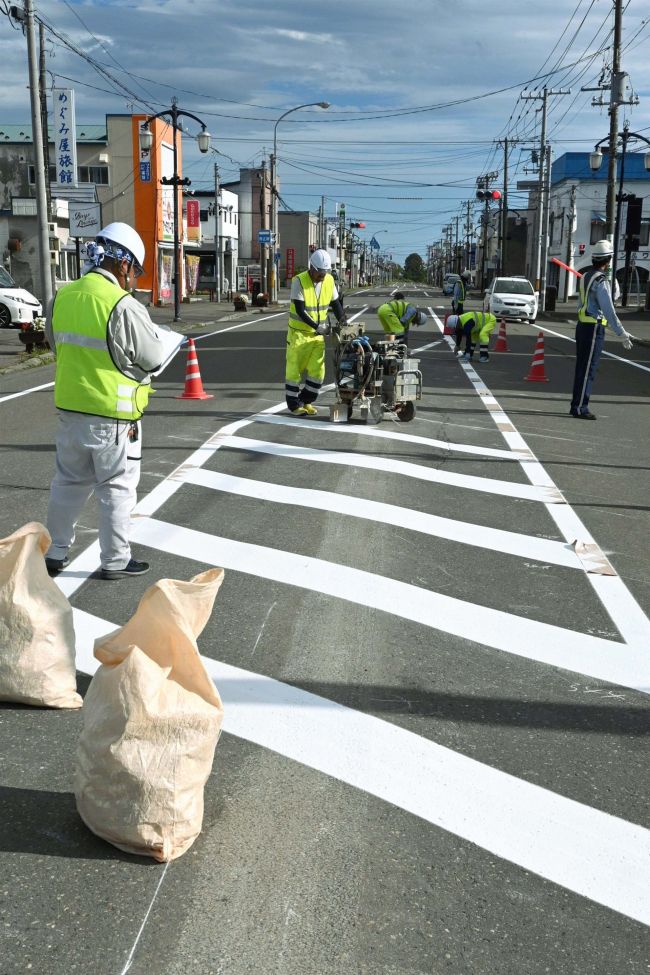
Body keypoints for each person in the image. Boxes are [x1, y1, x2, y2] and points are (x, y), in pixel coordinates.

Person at [44, 222, 171, 579]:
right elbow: (154, 358)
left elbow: (56, 344)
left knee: (67, 483)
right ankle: (115, 559)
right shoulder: (122, 305)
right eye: (134, 270)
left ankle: (54, 552)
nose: (133, 279)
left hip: (70, 409)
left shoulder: (62, 298)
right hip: (112, 415)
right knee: (116, 486)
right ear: (124, 264)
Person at [570, 239, 633, 420]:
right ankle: (581, 407)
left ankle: (577, 404)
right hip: (593, 328)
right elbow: (608, 310)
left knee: (582, 368)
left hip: (582, 326)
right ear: (608, 260)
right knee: (589, 369)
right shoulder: (601, 280)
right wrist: (621, 332)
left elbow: (582, 303)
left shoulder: (585, 276)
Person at [285, 249, 347, 416]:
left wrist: (343, 321)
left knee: (317, 372)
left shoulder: (329, 280)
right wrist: (316, 326)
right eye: (319, 273)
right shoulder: (299, 281)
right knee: (294, 373)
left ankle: (307, 401)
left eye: (324, 273)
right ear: (311, 268)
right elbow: (300, 310)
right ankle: (294, 406)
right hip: (298, 334)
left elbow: (336, 304)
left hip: (317, 336)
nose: (322, 277)